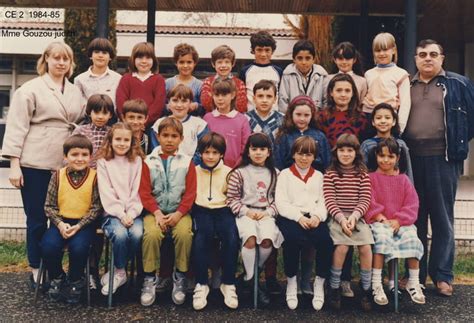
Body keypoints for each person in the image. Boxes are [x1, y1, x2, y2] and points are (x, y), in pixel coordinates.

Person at [2, 41, 84, 288]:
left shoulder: (74, 91)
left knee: (60, 217)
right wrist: (14, 165)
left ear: (70, 64)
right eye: (56, 58)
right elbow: (16, 127)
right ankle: (36, 267)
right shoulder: (30, 89)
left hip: (65, 164)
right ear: (46, 59)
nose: (61, 63)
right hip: (35, 161)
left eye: (66, 59)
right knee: (36, 217)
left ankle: (54, 267)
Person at [403, 39, 474, 296]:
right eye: (422, 54)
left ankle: (442, 276)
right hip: (411, 160)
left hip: (443, 159)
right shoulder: (405, 85)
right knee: (414, 218)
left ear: (442, 58)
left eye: (433, 54)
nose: (428, 58)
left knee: (443, 219)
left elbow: (470, 120)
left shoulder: (458, 84)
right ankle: (415, 275)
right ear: (415, 58)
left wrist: (456, 142)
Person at [138, 117, 196, 306]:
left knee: (184, 234)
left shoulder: (187, 162)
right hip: (155, 212)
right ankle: (149, 277)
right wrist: (156, 213)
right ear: (157, 136)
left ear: (181, 138)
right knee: (152, 234)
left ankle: (180, 276)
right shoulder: (148, 161)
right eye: (165, 136)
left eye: (174, 136)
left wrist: (179, 213)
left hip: (180, 212)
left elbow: (190, 193)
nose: (169, 140)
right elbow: (144, 192)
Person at [365, 138, 426, 306]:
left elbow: (412, 204)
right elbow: (368, 201)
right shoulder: (370, 178)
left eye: (390, 156)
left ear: (397, 158)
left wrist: (399, 220)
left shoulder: (404, 180)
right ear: (376, 156)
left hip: (401, 222)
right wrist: (379, 216)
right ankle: (376, 283)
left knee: (412, 238)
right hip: (380, 221)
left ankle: (413, 282)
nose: (386, 160)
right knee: (382, 238)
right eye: (382, 156)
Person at [275, 136, 333, 311]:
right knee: (292, 241)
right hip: (292, 217)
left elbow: (324, 201)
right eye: (300, 154)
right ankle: (292, 281)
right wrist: (298, 217)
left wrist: (317, 216)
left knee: (325, 242)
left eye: (308, 155)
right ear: (293, 154)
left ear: (314, 157)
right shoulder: (285, 174)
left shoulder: (318, 176)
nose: (304, 158)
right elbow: (281, 202)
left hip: (313, 217)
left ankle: (319, 283)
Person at [41, 135, 101, 303]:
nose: (80, 159)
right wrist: (60, 224)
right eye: (74, 154)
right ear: (65, 157)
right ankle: (58, 276)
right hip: (61, 222)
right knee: (48, 246)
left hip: (84, 224)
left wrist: (80, 225)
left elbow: (96, 207)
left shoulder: (95, 177)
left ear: (90, 157)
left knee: (79, 248)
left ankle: (76, 279)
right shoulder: (57, 176)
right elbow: (49, 206)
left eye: (84, 155)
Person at [226, 133, 284, 306]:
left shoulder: (275, 173)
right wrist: (246, 212)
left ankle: (248, 277)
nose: (258, 153)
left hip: (266, 213)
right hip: (246, 214)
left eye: (262, 149)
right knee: (250, 239)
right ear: (248, 152)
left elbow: (279, 199)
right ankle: (253, 281)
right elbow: (232, 199)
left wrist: (269, 212)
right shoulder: (239, 173)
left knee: (267, 240)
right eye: (254, 149)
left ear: (269, 152)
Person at [323, 134, 373, 311]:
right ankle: (334, 286)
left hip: (356, 217)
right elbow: (330, 200)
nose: (345, 154)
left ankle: (366, 288)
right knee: (342, 246)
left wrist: (354, 217)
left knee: (366, 247)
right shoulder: (330, 174)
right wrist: (342, 219)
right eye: (342, 150)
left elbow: (365, 198)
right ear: (336, 152)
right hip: (337, 218)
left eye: (349, 150)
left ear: (356, 152)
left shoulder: (362, 174)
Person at [192, 132, 240, 310]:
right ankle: (201, 283)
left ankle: (228, 282)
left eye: (214, 153)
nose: (210, 156)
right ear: (200, 153)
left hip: (223, 209)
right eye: (206, 152)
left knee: (231, 237)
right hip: (201, 209)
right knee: (201, 237)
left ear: (221, 154)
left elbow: (232, 195)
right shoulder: (194, 171)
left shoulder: (229, 172)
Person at [96, 123, 144, 296]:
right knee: (121, 234)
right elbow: (106, 191)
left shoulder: (137, 161)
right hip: (112, 213)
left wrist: (130, 213)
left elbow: (137, 190)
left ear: (132, 142)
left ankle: (118, 271)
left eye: (126, 140)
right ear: (110, 140)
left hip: (133, 212)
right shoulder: (103, 162)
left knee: (137, 233)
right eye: (118, 139)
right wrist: (121, 214)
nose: (122, 143)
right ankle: (120, 271)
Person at [246, 79, 284, 293]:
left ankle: (269, 276)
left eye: (269, 96)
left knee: (271, 229)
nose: (264, 100)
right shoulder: (247, 119)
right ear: (253, 97)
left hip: (273, 176)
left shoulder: (282, 121)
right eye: (260, 96)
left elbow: (283, 151)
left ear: (275, 98)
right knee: (252, 231)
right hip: (252, 177)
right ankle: (250, 275)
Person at [362, 32, 411, 133]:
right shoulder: (368, 74)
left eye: (385, 50)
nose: (381, 54)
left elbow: (405, 103)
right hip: (369, 118)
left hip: (390, 120)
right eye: (377, 50)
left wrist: (400, 127)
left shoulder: (401, 74)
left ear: (393, 50)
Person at [152, 84, 208, 163]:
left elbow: (203, 150)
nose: (179, 105)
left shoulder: (199, 125)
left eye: (184, 101)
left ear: (190, 103)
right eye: (175, 100)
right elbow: (156, 149)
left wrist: (186, 166)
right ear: (168, 102)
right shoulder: (159, 124)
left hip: (191, 168)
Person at [274, 95, 331, 172]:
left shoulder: (320, 136)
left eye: (306, 115)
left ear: (312, 115)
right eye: (298, 114)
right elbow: (279, 162)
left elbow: (326, 162)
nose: (302, 119)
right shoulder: (285, 136)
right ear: (291, 114)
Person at [116, 42, 166, 128]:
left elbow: (159, 104)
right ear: (133, 59)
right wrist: (129, 121)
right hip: (128, 126)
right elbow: (120, 102)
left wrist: (143, 122)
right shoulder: (126, 79)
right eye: (140, 57)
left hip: (151, 126)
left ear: (153, 60)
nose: (144, 61)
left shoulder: (159, 80)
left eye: (148, 58)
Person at [203, 78, 251, 168]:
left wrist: (236, 168)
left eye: (224, 95)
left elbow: (245, 148)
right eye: (216, 95)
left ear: (232, 95)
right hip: (211, 169)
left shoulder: (242, 120)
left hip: (235, 170)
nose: (220, 99)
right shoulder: (207, 118)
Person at [361, 103, 413, 183]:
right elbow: (362, 172)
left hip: (397, 187)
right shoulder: (367, 145)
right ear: (373, 122)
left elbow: (408, 171)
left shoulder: (401, 144)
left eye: (387, 118)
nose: (383, 121)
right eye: (378, 118)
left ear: (394, 121)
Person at [318, 73, 368, 147]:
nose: (343, 94)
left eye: (347, 91)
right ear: (331, 92)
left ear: (353, 93)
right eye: (339, 90)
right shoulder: (321, 116)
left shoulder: (361, 118)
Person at [279, 39, 328, 113]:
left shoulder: (322, 75)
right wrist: (289, 120)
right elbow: (283, 101)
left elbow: (326, 101)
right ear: (294, 59)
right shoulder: (287, 75)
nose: (304, 62)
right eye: (300, 58)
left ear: (313, 59)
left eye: (308, 58)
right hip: (293, 119)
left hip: (317, 120)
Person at [74, 37, 121, 110]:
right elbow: (78, 106)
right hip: (88, 120)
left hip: (113, 120)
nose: (100, 55)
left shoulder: (118, 79)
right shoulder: (79, 80)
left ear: (110, 57)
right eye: (96, 52)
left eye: (104, 53)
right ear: (91, 55)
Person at [240, 31, 283, 110]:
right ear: (253, 50)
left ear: (272, 51)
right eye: (259, 50)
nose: (263, 54)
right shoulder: (245, 71)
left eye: (267, 50)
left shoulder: (278, 71)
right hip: (251, 117)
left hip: (273, 117)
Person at [201, 45, 248, 113]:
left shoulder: (239, 83)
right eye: (219, 62)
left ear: (233, 63)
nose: (223, 65)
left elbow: (241, 106)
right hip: (213, 118)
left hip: (233, 120)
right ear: (213, 64)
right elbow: (206, 103)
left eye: (227, 62)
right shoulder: (208, 82)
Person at [72, 94, 114, 168]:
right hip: (83, 171)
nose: (100, 117)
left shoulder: (112, 132)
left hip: (106, 173)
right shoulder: (80, 131)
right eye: (96, 112)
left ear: (110, 115)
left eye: (104, 113)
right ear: (89, 112)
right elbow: (71, 151)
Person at [322, 41, 367, 107]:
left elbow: (361, 103)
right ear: (335, 60)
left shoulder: (362, 81)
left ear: (354, 60)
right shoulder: (327, 79)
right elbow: (325, 101)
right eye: (340, 58)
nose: (344, 62)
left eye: (348, 59)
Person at [165, 43, 204, 116]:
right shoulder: (168, 83)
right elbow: (162, 105)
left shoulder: (199, 85)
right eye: (181, 62)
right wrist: (168, 107)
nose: (185, 66)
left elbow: (204, 108)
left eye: (189, 62)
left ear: (194, 63)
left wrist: (196, 106)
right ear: (176, 63)